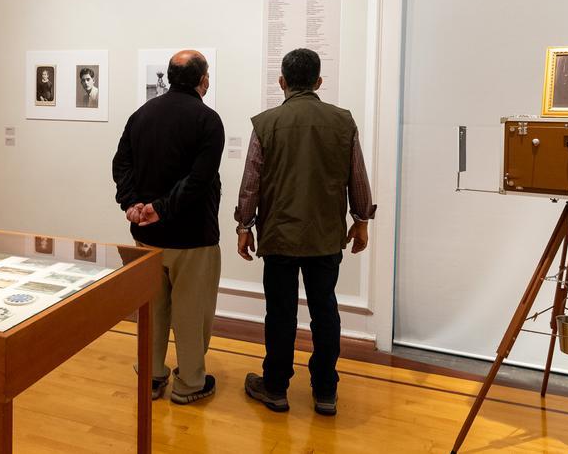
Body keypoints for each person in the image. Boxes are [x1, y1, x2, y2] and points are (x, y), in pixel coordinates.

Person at [235, 47, 375, 417]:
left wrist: (244, 226)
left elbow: (251, 182)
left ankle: (276, 387)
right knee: (325, 311)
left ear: (282, 82)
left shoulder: (266, 123)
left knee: (279, 314)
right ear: (319, 82)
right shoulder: (342, 121)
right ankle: (325, 391)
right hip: (325, 235)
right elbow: (356, 176)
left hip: (279, 236)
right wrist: (361, 221)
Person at [112, 50, 224, 405]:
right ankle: (190, 383)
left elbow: (121, 164)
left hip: (145, 236)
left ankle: (153, 375)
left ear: (170, 77)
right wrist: (161, 209)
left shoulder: (140, 115)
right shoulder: (208, 120)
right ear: (203, 80)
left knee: (152, 310)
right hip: (191, 238)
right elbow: (199, 181)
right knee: (191, 312)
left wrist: (132, 205)